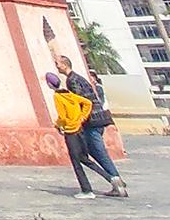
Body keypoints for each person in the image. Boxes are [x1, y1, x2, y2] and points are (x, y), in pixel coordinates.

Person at [55, 55, 128, 197]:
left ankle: (116, 181)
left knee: (99, 152)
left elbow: (80, 102)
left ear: (64, 65)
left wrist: (78, 121)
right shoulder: (78, 78)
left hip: (92, 121)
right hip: (97, 118)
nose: (56, 66)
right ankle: (115, 181)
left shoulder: (72, 80)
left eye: (57, 63)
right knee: (93, 152)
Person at [46, 70, 117, 197]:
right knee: (85, 159)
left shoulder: (57, 97)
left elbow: (62, 116)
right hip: (80, 130)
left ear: (50, 84)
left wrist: (58, 125)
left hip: (71, 132)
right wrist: (81, 117)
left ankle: (87, 190)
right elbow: (87, 103)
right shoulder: (68, 93)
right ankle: (112, 178)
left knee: (76, 163)